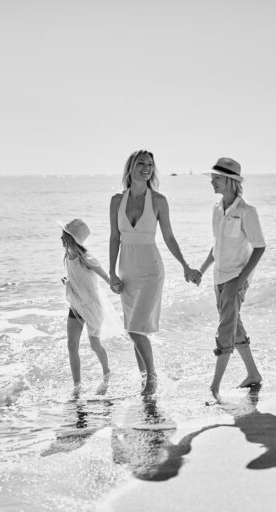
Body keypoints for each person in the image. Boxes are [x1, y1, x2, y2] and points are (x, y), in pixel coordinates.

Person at [108, 150, 200, 396]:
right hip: (126, 270)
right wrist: (111, 273)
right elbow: (114, 237)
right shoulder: (117, 200)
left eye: (150, 164)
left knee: (135, 329)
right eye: (141, 163)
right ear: (131, 167)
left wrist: (185, 265)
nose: (147, 168)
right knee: (134, 328)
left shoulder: (159, 200)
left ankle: (152, 380)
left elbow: (169, 237)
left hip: (151, 270)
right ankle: (144, 380)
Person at [192, 157, 266, 403]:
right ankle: (253, 373)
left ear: (229, 181)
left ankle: (214, 388)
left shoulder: (247, 212)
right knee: (234, 326)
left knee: (225, 329)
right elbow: (216, 247)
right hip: (218, 278)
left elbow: (259, 248)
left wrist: (241, 281)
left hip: (235, 279)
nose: (211, 182)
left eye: (215, 178)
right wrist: (202, 270)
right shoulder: (216, 209)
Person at [59, 218, 112, 397]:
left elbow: (103, 274)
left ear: (72, 238)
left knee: (95, 345)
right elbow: (76, 275)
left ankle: (106, 373)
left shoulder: (85, 257)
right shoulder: (67, 254)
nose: (61, 237)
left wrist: (116, 285)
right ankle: (77, 386)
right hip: (76, 304)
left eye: (64, 234)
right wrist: (68, 279)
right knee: (71, 344)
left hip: (90, 305)